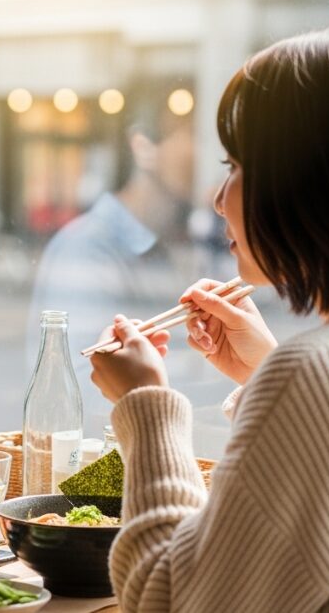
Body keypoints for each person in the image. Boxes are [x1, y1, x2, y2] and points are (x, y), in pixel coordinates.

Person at [90, 24, 329, 611]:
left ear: (315, 185)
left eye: (236, 165)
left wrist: (145, 407)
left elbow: (169, 598)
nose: (218, 197)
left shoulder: (314, 377)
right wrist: (265, 371)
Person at [27, 83, 203, 440]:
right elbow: (79, 393)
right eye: (192, 134)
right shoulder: (87, 248)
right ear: (143, 146)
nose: (203, 152)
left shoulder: (168, 245)